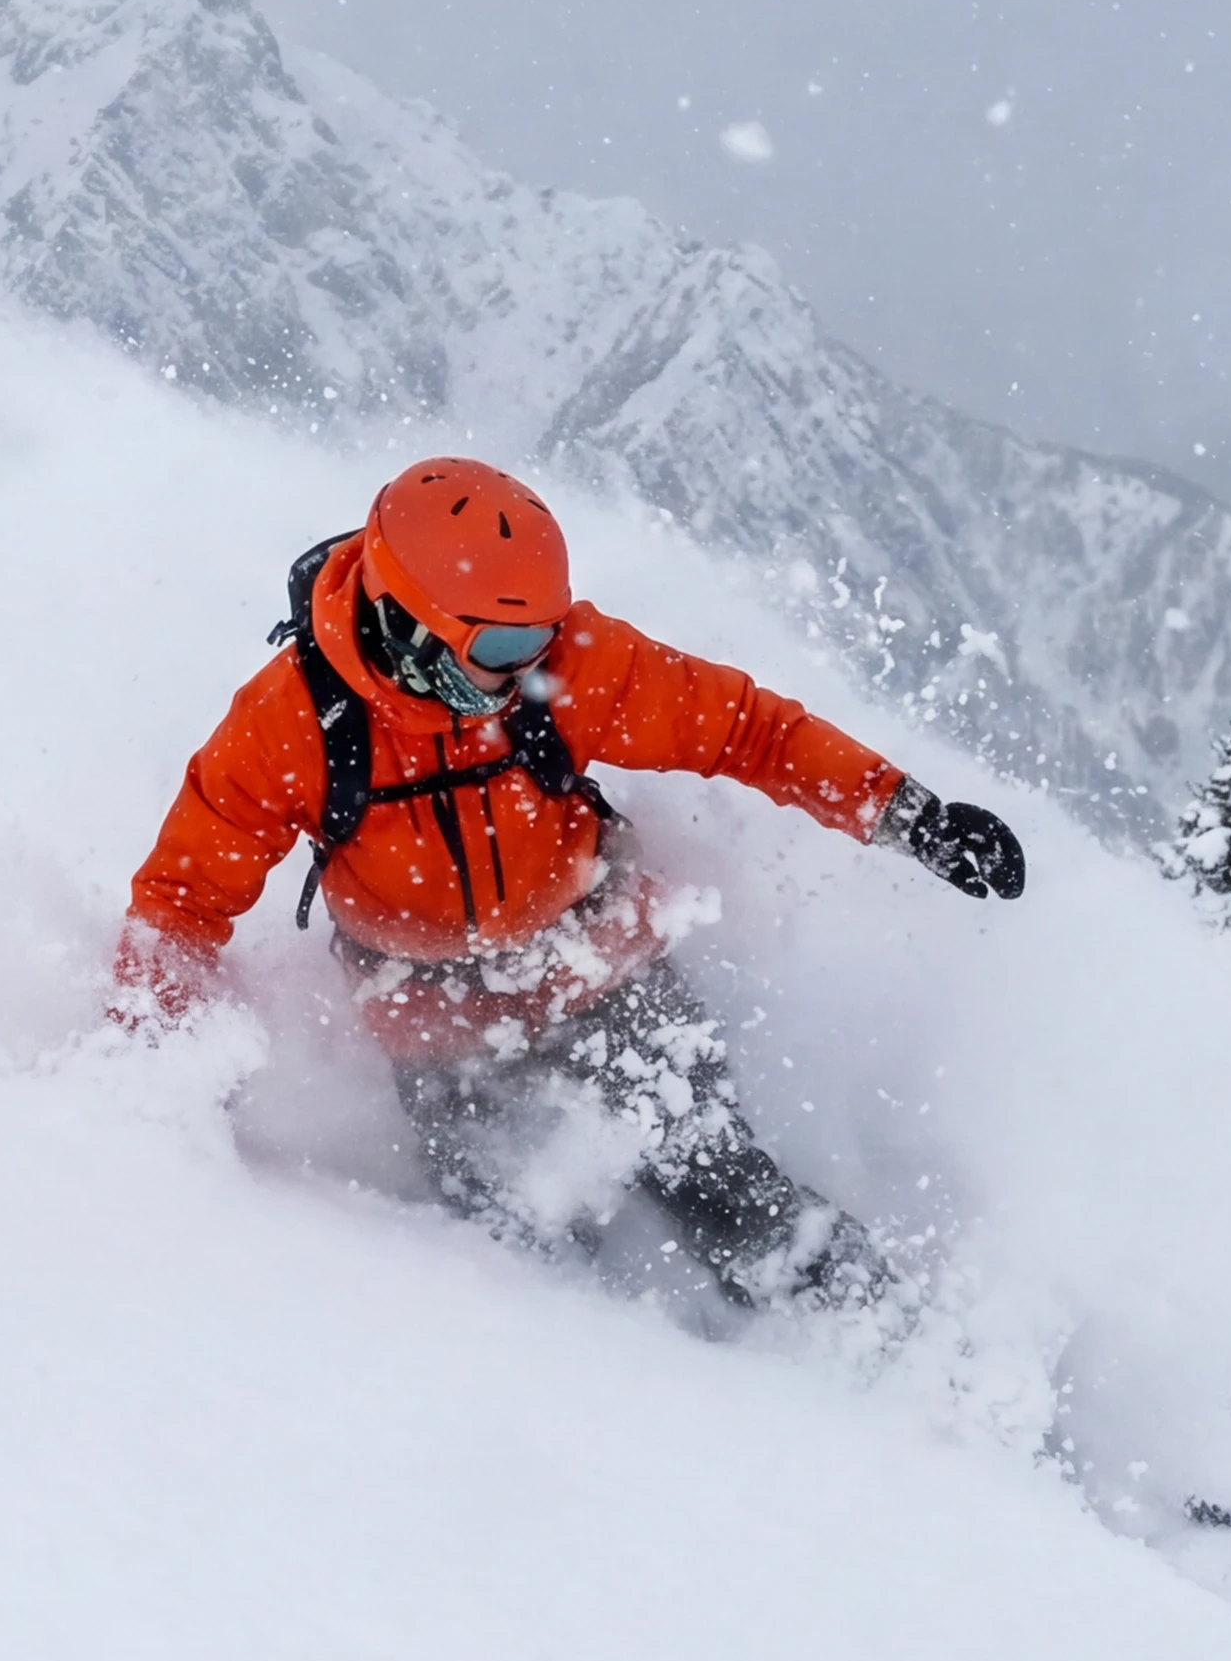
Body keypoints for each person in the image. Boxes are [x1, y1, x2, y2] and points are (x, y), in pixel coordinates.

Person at [113, 456, 1028, 1312]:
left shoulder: (562, 669)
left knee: (722, 1182)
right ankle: (596, 1401)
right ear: (411, 626)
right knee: (513, 1267)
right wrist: (159, 1081)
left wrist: (910, 816)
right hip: (436, 1026)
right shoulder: (292, 725)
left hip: (606, 969)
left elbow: (749, 731)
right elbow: (180, 903)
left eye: (542, 633)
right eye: (504, 642)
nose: (531, 662)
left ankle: (869, 1332)